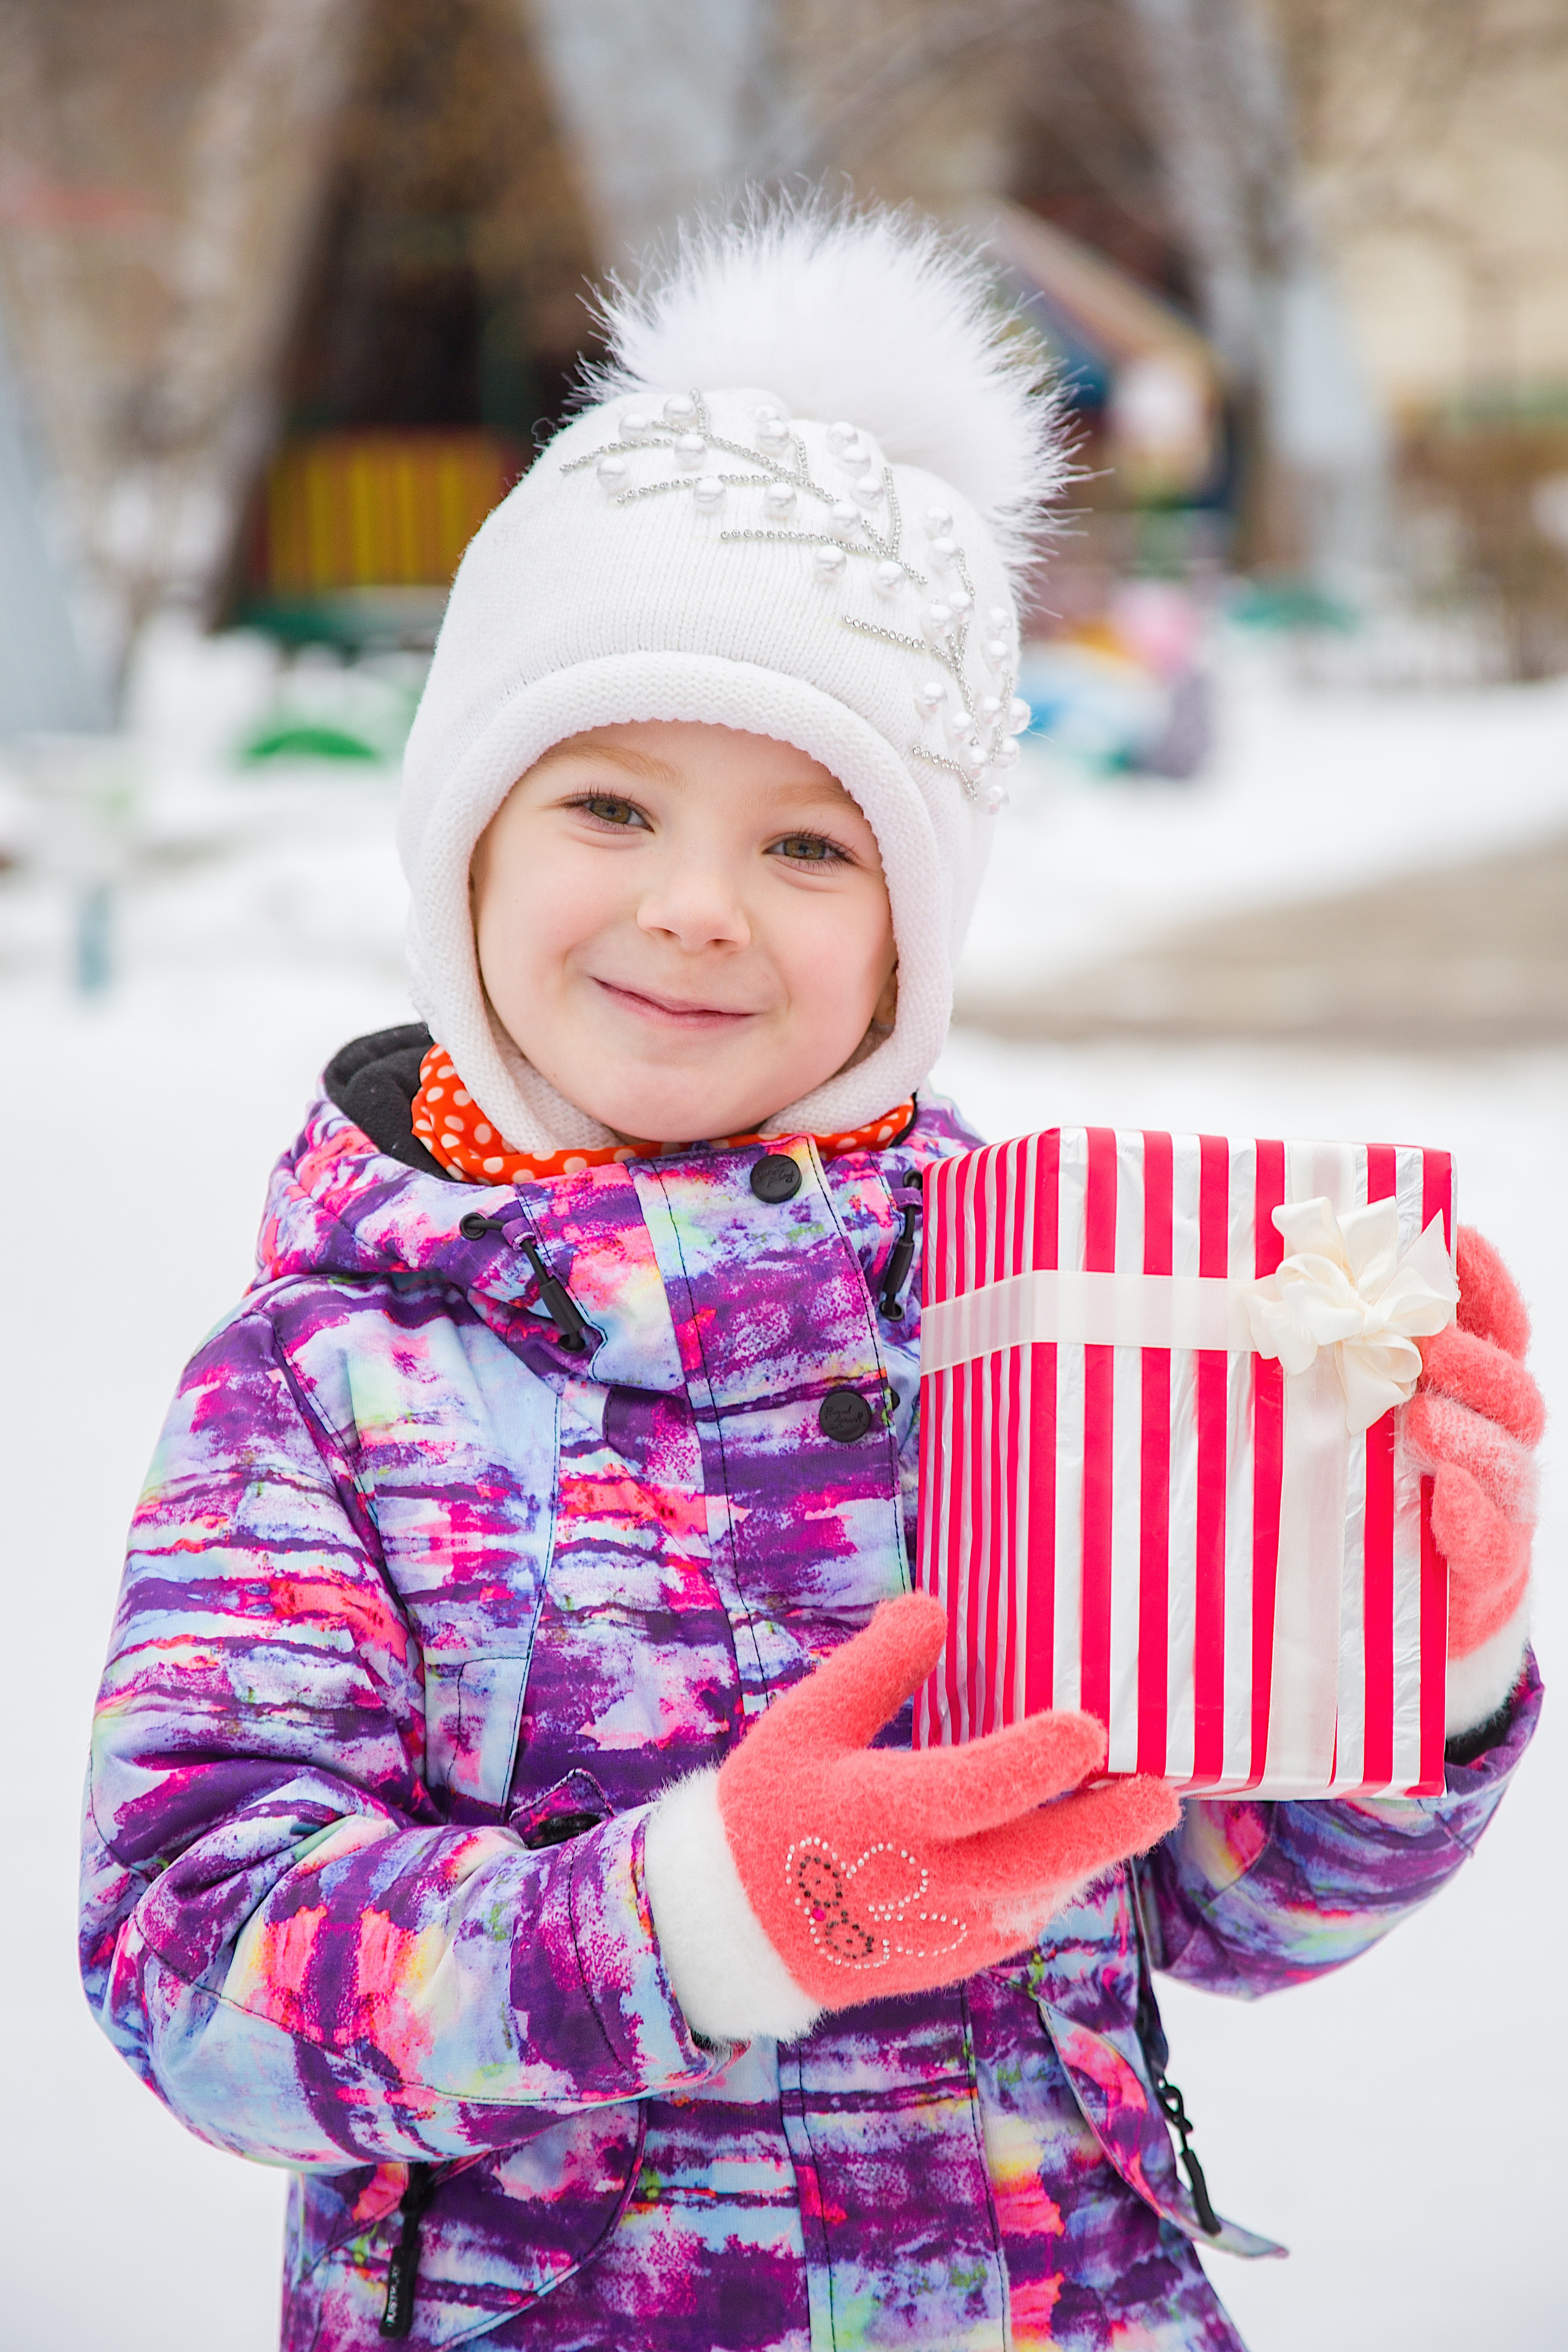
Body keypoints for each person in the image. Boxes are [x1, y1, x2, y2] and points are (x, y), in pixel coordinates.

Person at [80, 205, 1544, 2352]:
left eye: (809, 843)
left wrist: (1409, 1655)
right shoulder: (330, 1381)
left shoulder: (1027, 1303)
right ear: (463, 836)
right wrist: (698, 1918)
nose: (694, 909)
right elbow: (200, 1975)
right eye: (606, 800)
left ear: (908, 939)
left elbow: (1232, 1904)